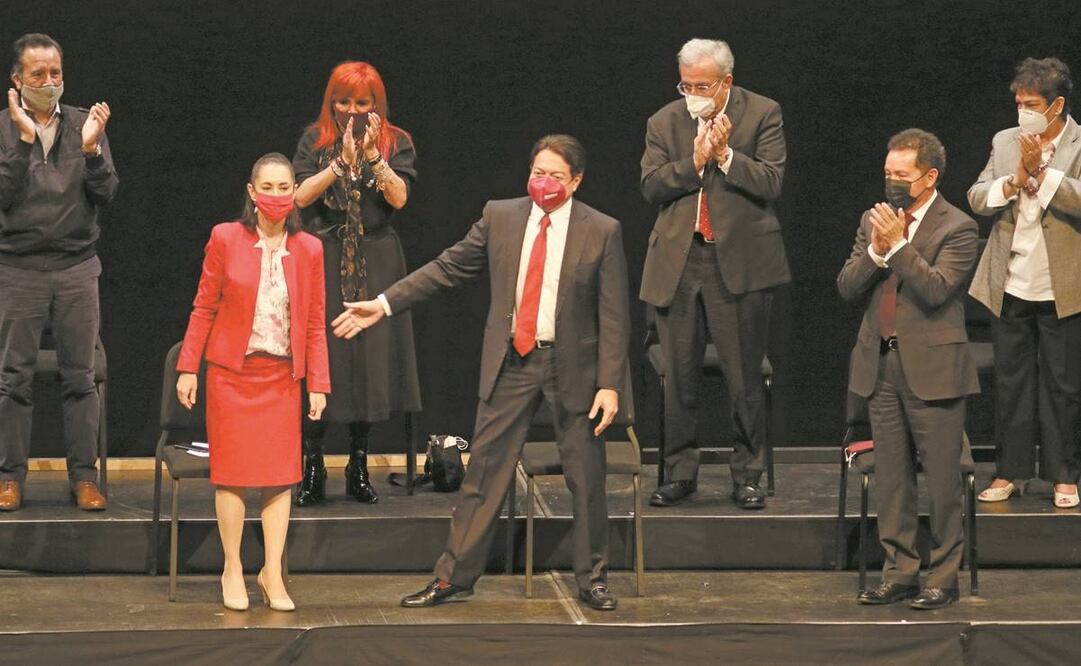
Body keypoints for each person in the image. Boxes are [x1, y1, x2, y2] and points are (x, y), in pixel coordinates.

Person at [333, 135, 630, 611]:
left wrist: (610, 383)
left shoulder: (602, 230)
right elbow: (447, 267)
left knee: (585, 477)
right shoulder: (501, 217)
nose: (544, 183)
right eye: (538, 172)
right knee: (484, 475)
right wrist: (385, 303)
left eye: (555, 176)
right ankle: (453, 578)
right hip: (512, 361)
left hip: (571, 366)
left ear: (576, 180)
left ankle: (593, 578)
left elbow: (614, 314)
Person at [175, 153, 330, 612]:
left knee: (281, 478)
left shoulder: (310, 250)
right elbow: (203, 307)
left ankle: (272, 571)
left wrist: (318, 382)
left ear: (294, 192)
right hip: (231, 377)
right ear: (252, 191)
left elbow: (316, 324)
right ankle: (231, 567)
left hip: (281, 378)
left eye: (285, 187)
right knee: (233, 478)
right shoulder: (225, 238)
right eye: (269, 186)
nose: (277, 195)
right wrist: (188, 367)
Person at [640, 38, 788, 510]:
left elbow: (771, 181)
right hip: (680, 262)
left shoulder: (762, 113)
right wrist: (697, 160)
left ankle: (747, 473)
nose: (692, 93)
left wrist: (724, 157)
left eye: (701, 85)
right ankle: (680, 472)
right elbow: (650, 185)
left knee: (743, 376)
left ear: (726, 81)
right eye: (685, 84)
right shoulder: (664, 121)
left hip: (738, 263)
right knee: (678, 375)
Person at [838, 129, 979, 610]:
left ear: (930, 177)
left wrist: (899, 247)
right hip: (881, 365)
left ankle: (943, 576)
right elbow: (847, 285)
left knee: (941, 480)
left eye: (902, 175)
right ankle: (899, 571)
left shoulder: (957, 227)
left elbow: (938, 289)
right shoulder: (872, 220)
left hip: (933, 369)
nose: (892, 183)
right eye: (887, 174)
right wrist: (877, 251)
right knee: (893, 479)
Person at [291, 61, 420, 506]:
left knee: (366, 361)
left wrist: (369, 157)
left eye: (361, 103)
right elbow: (299, 197)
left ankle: (358, 463)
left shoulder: (396, 141)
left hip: (377, 257)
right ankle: (311, 464)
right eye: (343, 102)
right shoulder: (314, 140)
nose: (351, 111)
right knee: (321, 355)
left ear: (375, 105)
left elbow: (399, 197)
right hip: (323, 255)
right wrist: (339, 163)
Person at [0, 33, 117, 512]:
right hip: (19, 269)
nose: (49, 82)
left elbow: (107, 193)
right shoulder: (5, 130)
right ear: (17, 80)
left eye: (55, 74)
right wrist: (24, 144)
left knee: (80, 377)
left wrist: (91, 151)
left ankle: (84, 478)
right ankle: (9, 478)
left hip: (75, 269)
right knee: (13, 379)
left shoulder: (83, 123)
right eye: (38, 75)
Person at [968, 57, 1081, 509]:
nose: (1022, 112)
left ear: (1056, 105)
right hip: (1009, 282)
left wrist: (1045, 174)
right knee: (1012, 383)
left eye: (1030, 104)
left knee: (1062, 385)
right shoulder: (1005, 141)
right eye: (1017, 103)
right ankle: (1010, 471)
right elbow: (977, 196)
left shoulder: (1078, 142)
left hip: (1063, 286)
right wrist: (1016, 178)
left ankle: (1063, 475)